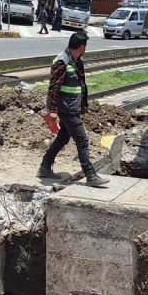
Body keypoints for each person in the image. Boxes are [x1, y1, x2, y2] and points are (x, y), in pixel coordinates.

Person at [38, 31, 109, 188]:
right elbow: (54, 88)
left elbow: (80, 85)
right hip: (66, 109)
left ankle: (44, 167)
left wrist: (82, 106)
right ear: (82, 47)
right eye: (86, 47)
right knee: (82, 140)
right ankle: (90, 175)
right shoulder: (62, 62)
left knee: (63, 138)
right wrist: (53, 110)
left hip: (73, 107)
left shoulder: (77, 61)